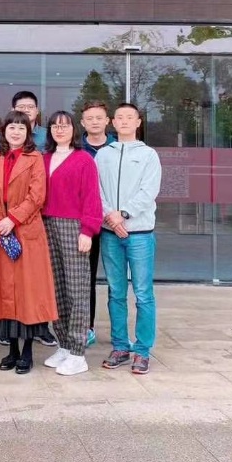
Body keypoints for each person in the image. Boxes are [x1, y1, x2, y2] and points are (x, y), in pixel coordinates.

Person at [0, 111, 57, 375]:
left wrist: (12, 219)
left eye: (21, 128)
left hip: (26, 230)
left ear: (28, 133)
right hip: (2, 232)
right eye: (11, 127)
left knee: (28, 291)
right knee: (5, 292)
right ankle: (12, 349)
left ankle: (27, 352)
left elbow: (37, 196)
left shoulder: (35, 159)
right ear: (4, 131)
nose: (16, 132)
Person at [95, 102, 162, 376]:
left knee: (143, 294)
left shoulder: (148, 155)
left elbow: (149, 191)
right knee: (116, 292)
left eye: (129, 117)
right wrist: (111, 218)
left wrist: (124, 214)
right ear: (113, 122)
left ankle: (142, 350)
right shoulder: (103, 154)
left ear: (138, 122)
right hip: (110, 233)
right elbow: (96, 190)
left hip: (140, 234)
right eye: (119, 117)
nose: (124, 121)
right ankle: (120, 346)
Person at [41, 110, 103, 376]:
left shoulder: (83, 159)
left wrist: (88, 230)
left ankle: (78, 352)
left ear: (73, 130)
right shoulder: (44, 158)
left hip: (74, 226)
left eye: (65, 126)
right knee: (56, 288)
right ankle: (64, 344)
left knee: (77, 289)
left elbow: (92, 197)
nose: (60, 130)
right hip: (46, 225)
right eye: (55, 126)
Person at [79, 101, 117, 347]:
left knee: (116, 280)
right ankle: (87, 326)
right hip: (87, 222)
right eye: (89, 118)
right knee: (86, 277)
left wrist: (116, 213)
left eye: (99, 117)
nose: (94, 122)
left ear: (107, 121)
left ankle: (119, 333)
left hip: (115, 222)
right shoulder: (76, 149)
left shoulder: (118, 147)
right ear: (82, 123)